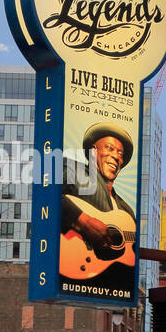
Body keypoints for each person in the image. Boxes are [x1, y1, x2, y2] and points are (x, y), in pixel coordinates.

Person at [61, 122, 137, 286]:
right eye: (109, 148)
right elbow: (46, 196)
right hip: (68, 268)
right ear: (93, 151)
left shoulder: (126, 211)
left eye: (120, 153)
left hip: (102, 279)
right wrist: (83, 221)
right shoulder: (72, 170)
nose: (116, 157)